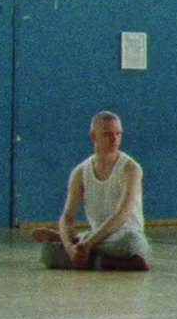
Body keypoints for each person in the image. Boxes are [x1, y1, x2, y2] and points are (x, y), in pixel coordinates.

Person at [32, 111, 151, 271]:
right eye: (108, 134)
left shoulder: (131, 169)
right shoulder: (80, 172)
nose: (114, 139)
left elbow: (122, 214)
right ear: (93, 135)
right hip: (96, 237)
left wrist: (86, 244)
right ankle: (102, 261)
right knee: (47, 253)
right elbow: (67, 216)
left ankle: (81, 247)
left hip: (123, 235)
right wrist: (69, 247)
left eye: (118, 134)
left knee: (131, 244)